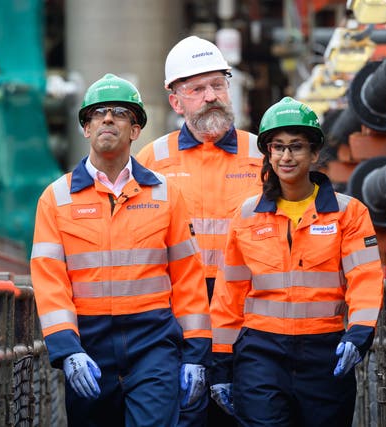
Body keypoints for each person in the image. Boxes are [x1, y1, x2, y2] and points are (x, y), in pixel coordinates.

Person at [31, 73, 211, 427]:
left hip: (153, 344)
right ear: (85, 128)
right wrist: (68, 351)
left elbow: (189, 279)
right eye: (97, 113)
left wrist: (196, 355)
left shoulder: (165, 194)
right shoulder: (56, 199)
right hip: (89, 346)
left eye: (119, 113)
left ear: (135, 129)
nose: (107, 119)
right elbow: (50, 283)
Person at [209, 96, 384, 426]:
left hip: (324, 355)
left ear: (314, 153)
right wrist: (220, 365)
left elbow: (365, 278)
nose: (286, 156)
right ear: (268, 154)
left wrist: (358, 334)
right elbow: (228, 295)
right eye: (278, 147)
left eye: (296, 147)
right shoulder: (246, 216)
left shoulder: (348, 213)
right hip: (261, 356)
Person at [136, 36, 262, 426]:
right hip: (177, 312)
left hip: (249, 312)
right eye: (197, 89)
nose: (211, 96)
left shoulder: (263, 155)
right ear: (176, 101)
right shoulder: (152, 161)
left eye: (218, 85)